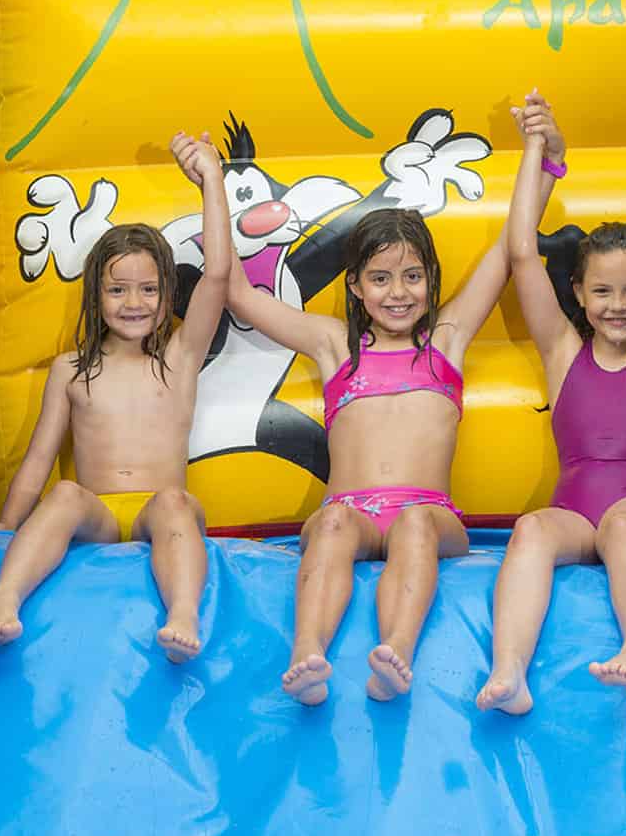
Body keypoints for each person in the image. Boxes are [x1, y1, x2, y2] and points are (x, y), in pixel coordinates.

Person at [235, 112, 556, 704]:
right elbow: (237, 294)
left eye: (412, 276)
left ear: (432, 282)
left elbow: (512, 248)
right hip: (347, 510)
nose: (398, 292)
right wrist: (210, 179)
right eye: (380, 279)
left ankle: (396, 654)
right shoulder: (336, 348)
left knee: (412, 524)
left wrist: (545, 155)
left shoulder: (446, 344)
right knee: (328, 524)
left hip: (428, 512)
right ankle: (308, 654)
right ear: (355, 286)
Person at [478, 93, 626, 712]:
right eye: (603, 291)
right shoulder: (563, 352)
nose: (619, 305)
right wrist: (536, 148)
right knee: (530, 528)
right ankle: (509, 672)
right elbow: (523, 251)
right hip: (575, 514)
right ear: (579, 294)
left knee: (623, 525)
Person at [0, 132, 232, 663]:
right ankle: (5, 597)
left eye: (149, 289)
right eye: (118, 290)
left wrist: (212, 180)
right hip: (99, 513)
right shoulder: (73, 369)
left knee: (175, 503)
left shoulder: (179, 357)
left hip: (158, 509)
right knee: (64, 493)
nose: (133, 303)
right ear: (96, 296)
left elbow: (220, 275)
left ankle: (183, 612)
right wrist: (5, 523)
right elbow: (40, 457)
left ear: (168, 295)